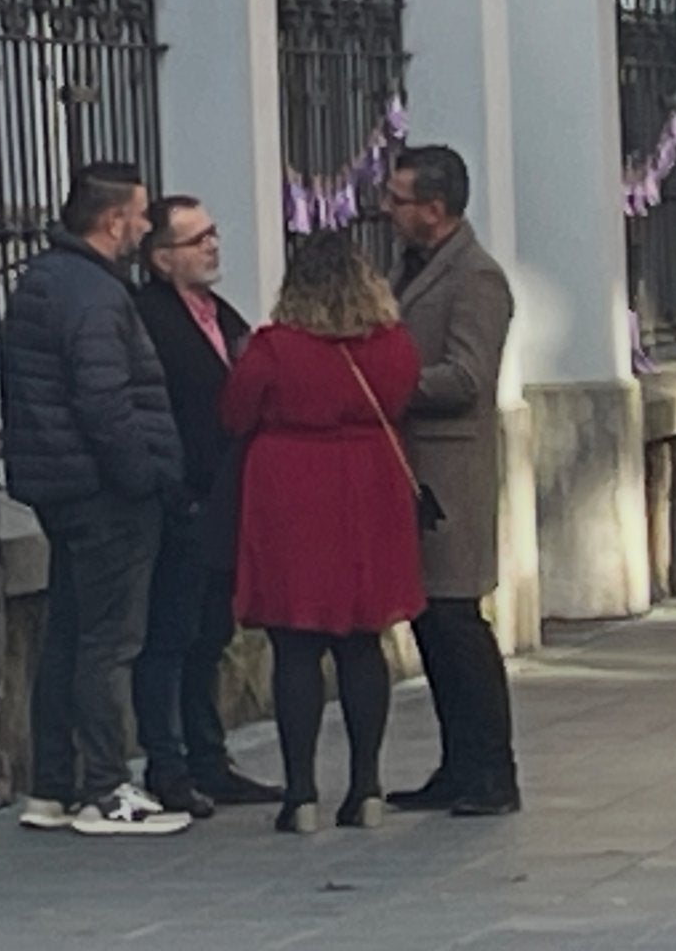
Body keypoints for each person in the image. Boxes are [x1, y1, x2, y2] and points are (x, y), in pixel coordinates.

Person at [0, 162, 189, 836]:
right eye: (140, 215)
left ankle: (52, 785)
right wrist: (144, 475)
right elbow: (104, 401)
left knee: (69, 637)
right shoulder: (97, 296)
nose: (145, 225)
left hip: (60, 487)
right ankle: (107, 788)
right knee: (110, 642)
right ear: (114, 222)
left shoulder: (45, 279)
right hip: (104, 492)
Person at [221, 231, 424, 834]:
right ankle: (366, 787)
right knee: (363, 641)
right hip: (370, 485)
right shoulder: (392, 346)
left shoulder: (275, 347)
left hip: (294, 488)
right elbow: (406, 394)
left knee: (297, 642)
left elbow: (235, 412)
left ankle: (302, 794)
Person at [132, 196, 284, 819]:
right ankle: (167, 765)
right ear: (163, 258)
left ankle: (209, 758)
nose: (213, 247)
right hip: (182, 498)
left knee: (210, 636)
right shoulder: (147, 318)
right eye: (197, 240)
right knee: (171, 637)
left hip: (228, 500)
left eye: (213, 234)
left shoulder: (222, 314)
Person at [380, 145, 521, 817]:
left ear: (434, 210)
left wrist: (388, 383)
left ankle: (491, 770)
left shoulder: (476, 279)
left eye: (398, 199)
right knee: (431, 622)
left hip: (449, 474)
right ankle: (458, 763)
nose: (387, 210)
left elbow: (468, 376)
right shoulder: (414, 267)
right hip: (411, 471)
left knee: (458, 621)